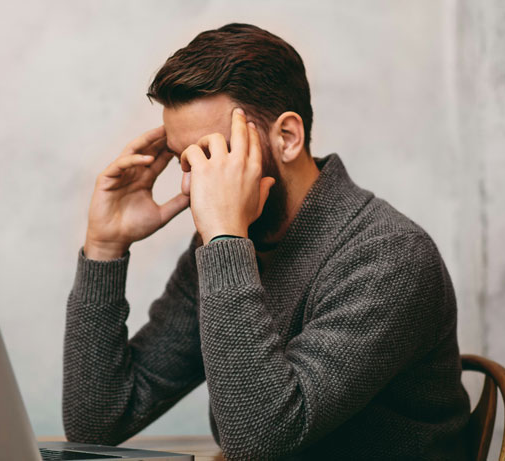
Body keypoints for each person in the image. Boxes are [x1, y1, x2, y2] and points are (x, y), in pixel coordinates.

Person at [63, 23, 471, 460]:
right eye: (186, 162)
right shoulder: (226, 247)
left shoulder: (390, 256)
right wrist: (105, 249)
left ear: (288, 137)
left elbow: (260, 440)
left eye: (213, 156)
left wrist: (224, 238)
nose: (191, 187)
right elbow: (98, 421)